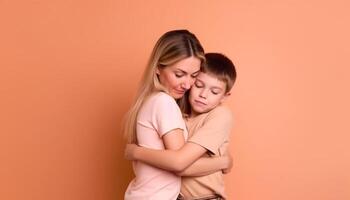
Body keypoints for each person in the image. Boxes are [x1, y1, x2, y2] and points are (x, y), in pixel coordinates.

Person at [123, 30, 231, 200]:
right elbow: (180, 163)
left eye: (194, 76)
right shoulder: (163, 102)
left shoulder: (155, 101)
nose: (187, 84)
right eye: (179, 74)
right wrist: (224, 162)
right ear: (158, 68)